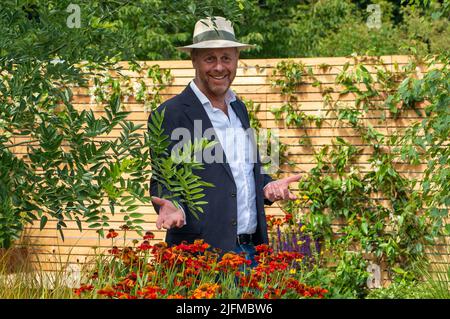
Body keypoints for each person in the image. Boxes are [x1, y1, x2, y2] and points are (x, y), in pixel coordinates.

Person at [149, 16, 300, 264]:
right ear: (194, 60)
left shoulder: (239, 109)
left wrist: (267, 187)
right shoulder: (171, 114)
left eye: (226, 58)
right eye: (210, 58)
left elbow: (241, 173)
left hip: (251, 252)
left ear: (237, 60)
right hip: (200, 257)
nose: (219, 67)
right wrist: (170, 205)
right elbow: (162, 178)